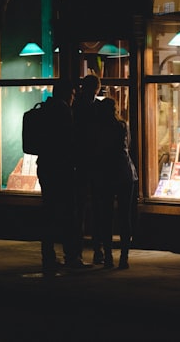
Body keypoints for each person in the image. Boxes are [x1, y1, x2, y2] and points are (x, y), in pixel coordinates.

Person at [37, 78, 92, 273]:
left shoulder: (44, 108)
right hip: (62, 168)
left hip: (45, 166)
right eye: (72, 94)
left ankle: (48, 255)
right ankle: (71, 255)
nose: (73, 98)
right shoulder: (63, 111)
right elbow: (70, 141)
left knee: (49, 211)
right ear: (67, 93)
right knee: (70, 213)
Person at [90, 97, 138, 269]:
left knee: (106, 216)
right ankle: (124, 257)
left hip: (105, 173)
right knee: (125, 216)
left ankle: (108, 256)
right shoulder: (122, 126)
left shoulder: (98, 129)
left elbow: (96, 151)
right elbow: (128, 146)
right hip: (124, 172)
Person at [73, 73, 103, 263]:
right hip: (96, 164)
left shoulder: (74, 107)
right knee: (99, 208)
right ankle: (98, 250)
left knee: (78, 210)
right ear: (98, 88)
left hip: (78, 164)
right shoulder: (99, 108)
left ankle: (76, 251)